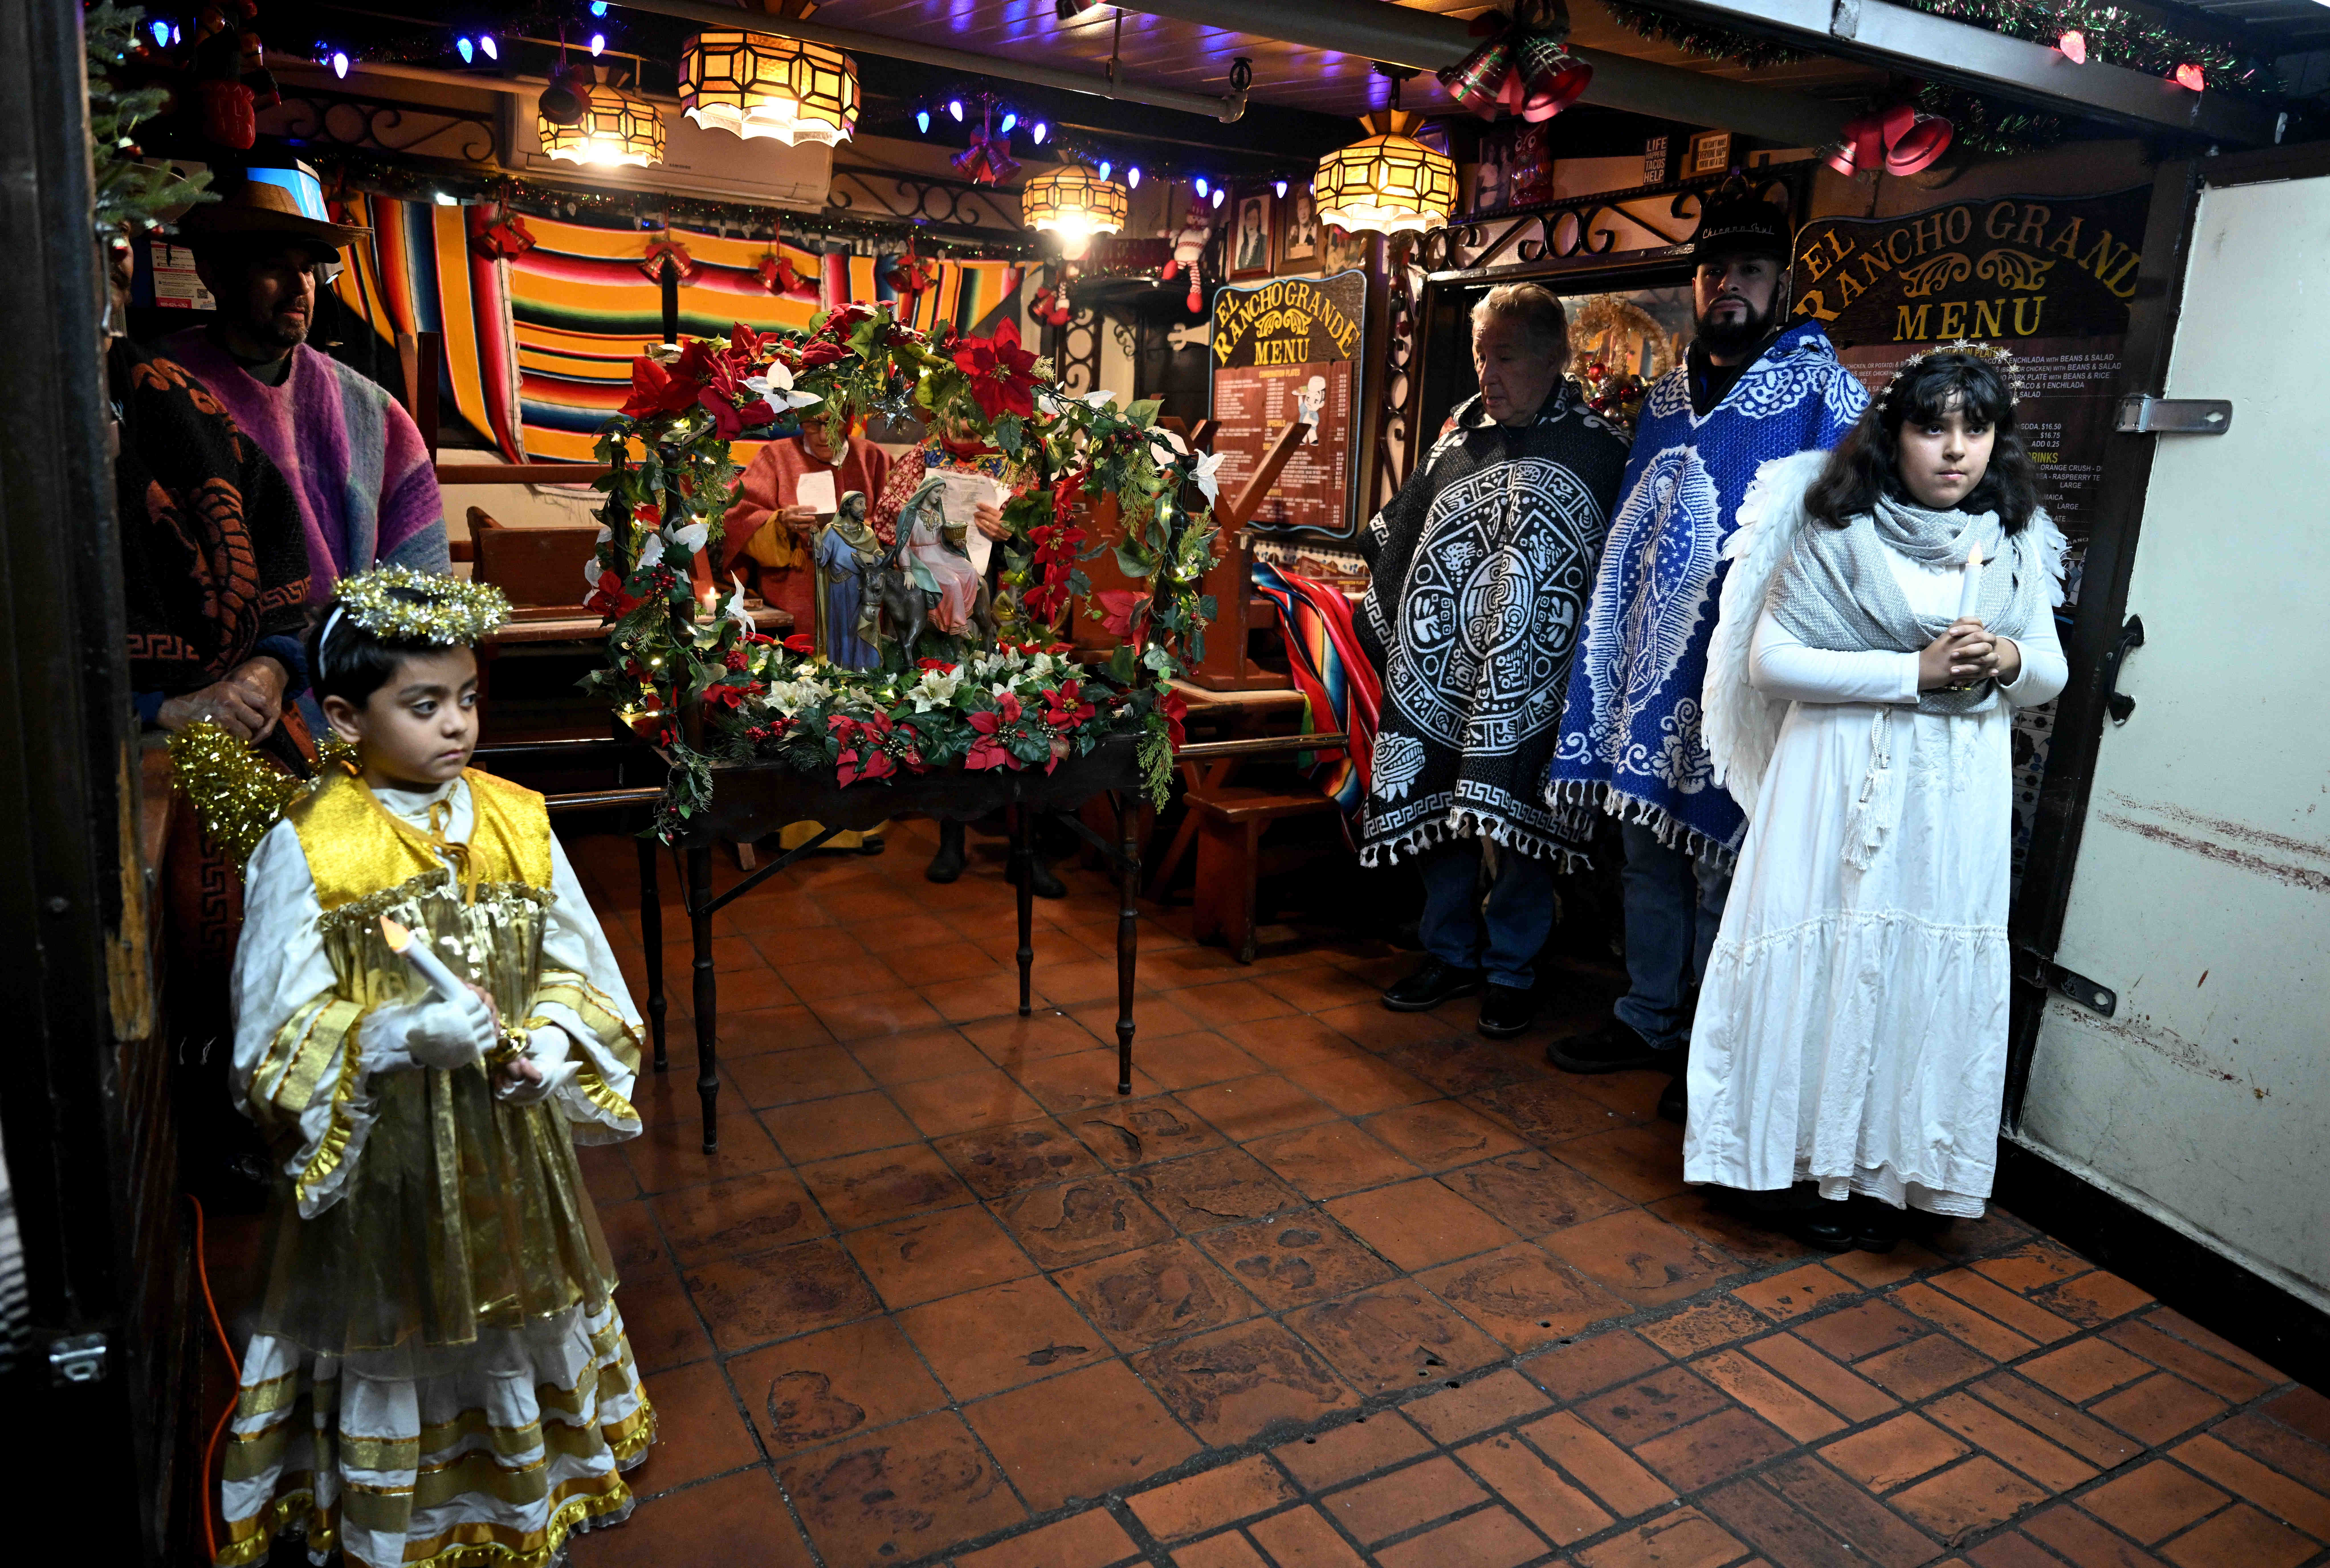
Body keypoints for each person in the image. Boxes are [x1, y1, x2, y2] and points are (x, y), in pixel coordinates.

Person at [219, 566, 653, 1565]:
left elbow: (575, 962)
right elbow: (267, 1037)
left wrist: (550, 1040)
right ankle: (399, 1501)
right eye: (423, 706)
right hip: (388, 1163)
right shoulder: (314, 845)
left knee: (516, 1295)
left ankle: (529, 1469)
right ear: (344, 714)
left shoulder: (516, 815)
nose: (456, 727)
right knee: (399, 1313)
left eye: (465, 699)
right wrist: (397, 1037)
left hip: (509, 1140)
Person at [1685, 345, 2066, 1251]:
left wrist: (2004, 661)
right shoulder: (1837, 534)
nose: (1953, 449)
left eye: (1974, 428)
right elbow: (1769, 662)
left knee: (1906, 966)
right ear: (1892, 436)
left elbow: (2047, 667)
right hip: (1833, 781)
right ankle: (1777, 1165)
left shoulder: (2010, 543)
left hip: (1946, 793)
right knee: (1820, 952)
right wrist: (1913, 671)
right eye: (1931, 426)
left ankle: (1879, 1169)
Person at [1544, 177, 1868, 1091]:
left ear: (1782, 284)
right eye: (1713, 269)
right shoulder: (1663, 396)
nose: (1727, 284)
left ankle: (1713, 1046)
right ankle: (1647, 1016)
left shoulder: (1824, 389)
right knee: (1647, 850)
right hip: (1654, 667)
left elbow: (1849, 530)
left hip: (1743, 669)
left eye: (1750, 270)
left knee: (1729, 856)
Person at [1361, 283, 1629, 1038]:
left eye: (1505, 358)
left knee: (1520, 822)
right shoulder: (1457, 439)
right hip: (1441, 671)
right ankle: (1449, 950)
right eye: (1483, 356)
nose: (1489, 374)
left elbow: (1616, 576)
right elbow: (1402, 540)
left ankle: (1514, 965)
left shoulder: (1600, 449)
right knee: (1439, 812)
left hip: (1540, 680)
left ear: (1554, 359)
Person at [158, 175, 450, 612]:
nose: (300, 287)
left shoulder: (368, 409)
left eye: (308, 269)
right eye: (275, 266)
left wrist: (376, 658)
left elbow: (420, 559)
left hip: (338, 659)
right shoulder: (161, 382)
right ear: (214, 275)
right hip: (213, 663)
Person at [873, 416, 1057, 893]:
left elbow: (1054, 530)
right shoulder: (920, 457)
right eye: (954, 408)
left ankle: (1025, 849)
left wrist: (1013, 530)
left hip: (1006, 609)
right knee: (948, 711)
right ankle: (950, 837)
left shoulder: (1022, 456)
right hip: (944, 606)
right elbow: (885, 525)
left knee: (1022, 711)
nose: (963, 420)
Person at [724, 414, 892, 852]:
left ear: (851, 419)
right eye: (813, 425)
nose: (821, 435)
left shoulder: (872, 458)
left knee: (860, 705)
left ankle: (860, 822)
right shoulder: (776, 457)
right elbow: (737, 517)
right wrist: (780, 522)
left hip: (859, 606)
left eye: (833, 424)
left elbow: (898, 523)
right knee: (800, 709)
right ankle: (796, 824)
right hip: (797, 605)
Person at [815, 489, 886, 669]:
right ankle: (844, 666)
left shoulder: (868, 533)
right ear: (847, 506)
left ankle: (864, 666)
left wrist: (872, 558)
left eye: (865, 504)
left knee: (863, 626)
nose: (865, 508)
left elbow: (881, 557)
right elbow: (822, 559)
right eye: (860, 504)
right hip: (840, 587)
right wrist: (816, 539)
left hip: (863, 588)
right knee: (844, 627)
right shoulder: (832, 532)